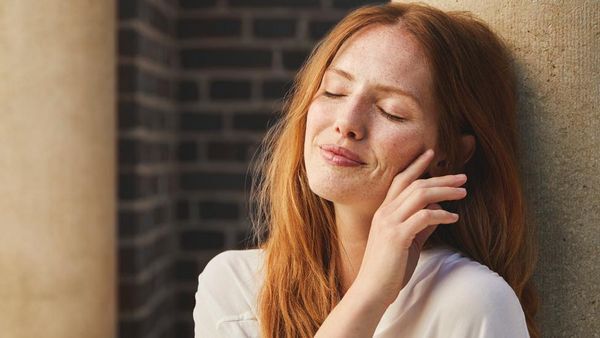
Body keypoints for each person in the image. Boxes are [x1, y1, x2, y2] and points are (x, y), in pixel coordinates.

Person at [193, 2, 540, 337]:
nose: (346, 123)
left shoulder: (473, 303)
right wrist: (370, 294)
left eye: (392, 111)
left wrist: (375, 291)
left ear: (448, 155)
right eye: (334, 91)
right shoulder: (234, 286)